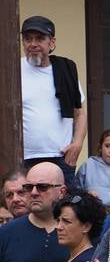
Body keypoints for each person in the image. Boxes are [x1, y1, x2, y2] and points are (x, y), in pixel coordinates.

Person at [19, 16, 86, 180]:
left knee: (64, 205)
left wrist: (77, 144)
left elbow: (79, 113)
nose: (33, 44)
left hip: (61, 157)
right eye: (28, 39)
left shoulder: (66, 69)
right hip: (23, 158)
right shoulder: (14, 69)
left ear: (52, 43)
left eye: (40, 38)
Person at [78, 129, 110, 207]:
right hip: (91, 211)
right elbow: (76, 190)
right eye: (107, 146)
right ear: (100, 147)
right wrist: (86, 195)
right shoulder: (88, 165)